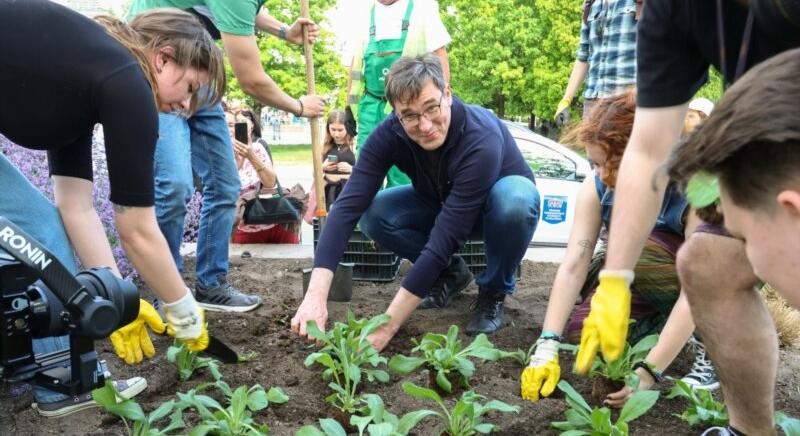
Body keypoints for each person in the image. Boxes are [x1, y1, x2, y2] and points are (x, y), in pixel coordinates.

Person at [575, 1, 800, 434]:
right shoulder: (670, 12)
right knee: (711, 255)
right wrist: (615, 280)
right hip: (758, 139)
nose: (637, 14)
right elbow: (647, 149)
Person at [0, 1, 222, 416]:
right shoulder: (127, 80)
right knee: (33, 235)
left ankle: (59, 377)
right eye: (190, 88)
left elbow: (75, 207)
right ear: (162, 57)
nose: (185, 106)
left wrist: (122, 299)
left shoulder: (87, 75)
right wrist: (183, 308)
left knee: (37, 230)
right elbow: (136, 228)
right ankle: (63, 381)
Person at [292, 54, 540, 350]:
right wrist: (316, 297)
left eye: (431, 108)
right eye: (409, 115)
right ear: (396, 113)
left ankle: (494, 292)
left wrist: (386, 327)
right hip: (438, 201)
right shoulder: (389, 134)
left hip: (491, 211)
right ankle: (450, 273)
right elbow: (347, 207)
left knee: (516, 200)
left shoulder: (479, 137)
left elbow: (445, 237)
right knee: (374, 213)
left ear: (447, 94)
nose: (424, 125)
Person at [519, 90, 721, 405]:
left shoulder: (697, 188)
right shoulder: (596, 186)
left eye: (605, 164)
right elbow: (574, 264)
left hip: (706, 278)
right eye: (594, 164)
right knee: (582, 335)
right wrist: (547, 345)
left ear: (639, 156)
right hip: (644, 279)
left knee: (639, 253)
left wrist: (648, 373)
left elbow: (700, 286)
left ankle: (709, 341)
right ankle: (658, 331)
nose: (599, 175)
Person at [126, 0, 325, 312]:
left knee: (225, 183)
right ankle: (168, 290)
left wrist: (284, 32)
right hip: (160, 67)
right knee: (175, 184)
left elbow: (241, 10)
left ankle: (211, 284)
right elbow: (251, 80)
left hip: (197, 63)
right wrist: (299, 107)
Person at [348, 0, 451, 188]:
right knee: (366, 173)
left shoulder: (421, 9)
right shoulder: (364, 15)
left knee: (403, 172)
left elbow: (439, 55)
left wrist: (442, 100)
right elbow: (355, 65)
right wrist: (349, 107)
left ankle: (405, 216)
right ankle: (366, 216)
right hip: (370, 105)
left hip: (409, 107)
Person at [554, 0, 641, 126]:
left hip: (627, 102)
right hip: (593, 104)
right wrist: (566, 100)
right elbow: (583, 56)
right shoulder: (590, 4)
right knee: (591, 145)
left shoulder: (642, 3)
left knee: (629, 146)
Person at [228, 109, 301, 245]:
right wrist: (237, 165)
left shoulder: (257, 148)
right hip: (244, 227)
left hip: (274, 219)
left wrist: (251, 156)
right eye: (224, 124)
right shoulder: (218, 155)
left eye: (232, 125)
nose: (229, 129)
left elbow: (270, 183)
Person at [321, 110, 357, 210]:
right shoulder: (324, 146)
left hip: (347, 191)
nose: (336, 134)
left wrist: (351, 169)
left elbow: (365, 171)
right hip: (327, 192)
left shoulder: (354, 145)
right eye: (333, 129)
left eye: (340, 130)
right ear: (328, 127)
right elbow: (314, 173)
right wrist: (322, 167)